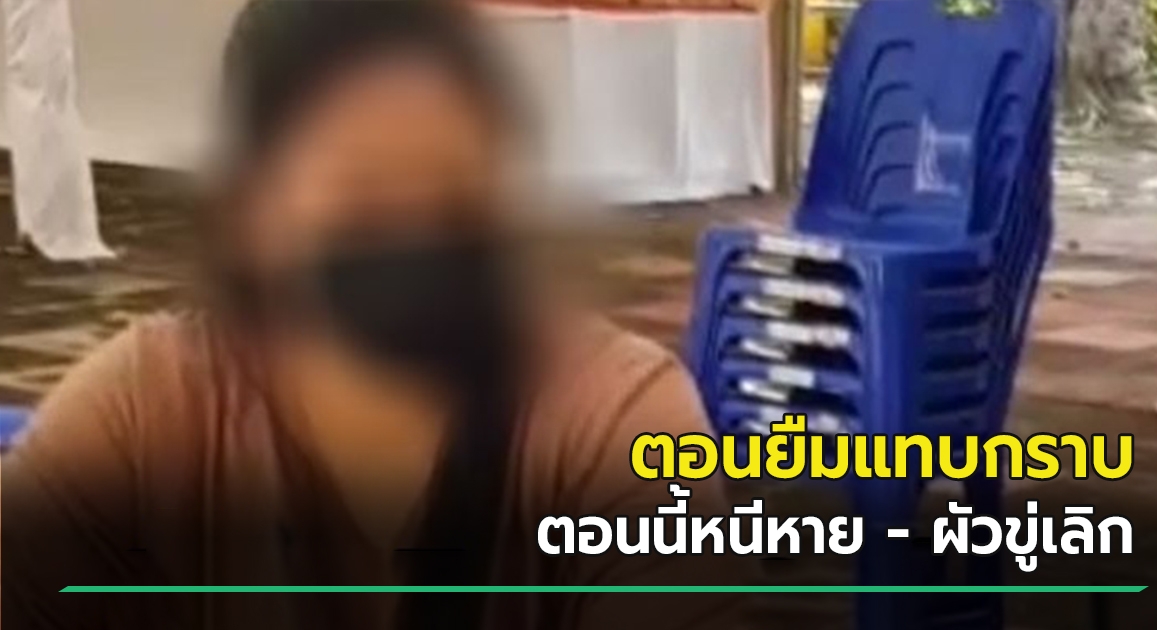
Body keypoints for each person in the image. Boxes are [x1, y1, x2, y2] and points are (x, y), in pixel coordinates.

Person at [0, 1, 748, 629]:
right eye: (366, 197)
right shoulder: (148, 417)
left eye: (451, 194)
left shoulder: (611, 418)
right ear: (254, 216)